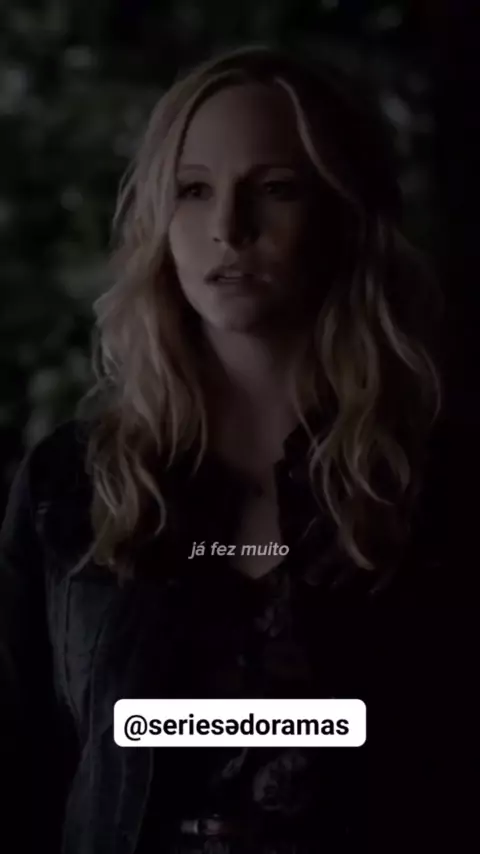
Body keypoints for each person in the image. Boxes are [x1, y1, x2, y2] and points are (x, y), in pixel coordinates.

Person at [0, 43, 477, 854]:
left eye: (276, 189)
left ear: (343, 215)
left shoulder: (441, 485)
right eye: (193, 190)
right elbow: (23, 767)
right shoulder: (72, 485)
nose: (229, 228)